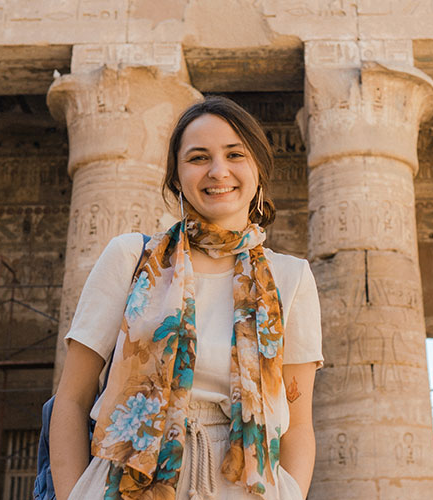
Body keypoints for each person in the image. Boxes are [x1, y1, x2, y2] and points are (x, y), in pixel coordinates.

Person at [49, 96, 323, 500]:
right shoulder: (130, 258)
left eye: (235, 154)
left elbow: (298, 424)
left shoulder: (291, 277)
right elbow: (71, 399)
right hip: (124, 483)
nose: (218, 171)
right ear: (177, 176)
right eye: (198, 157)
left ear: (258, 170)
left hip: (246, 488)